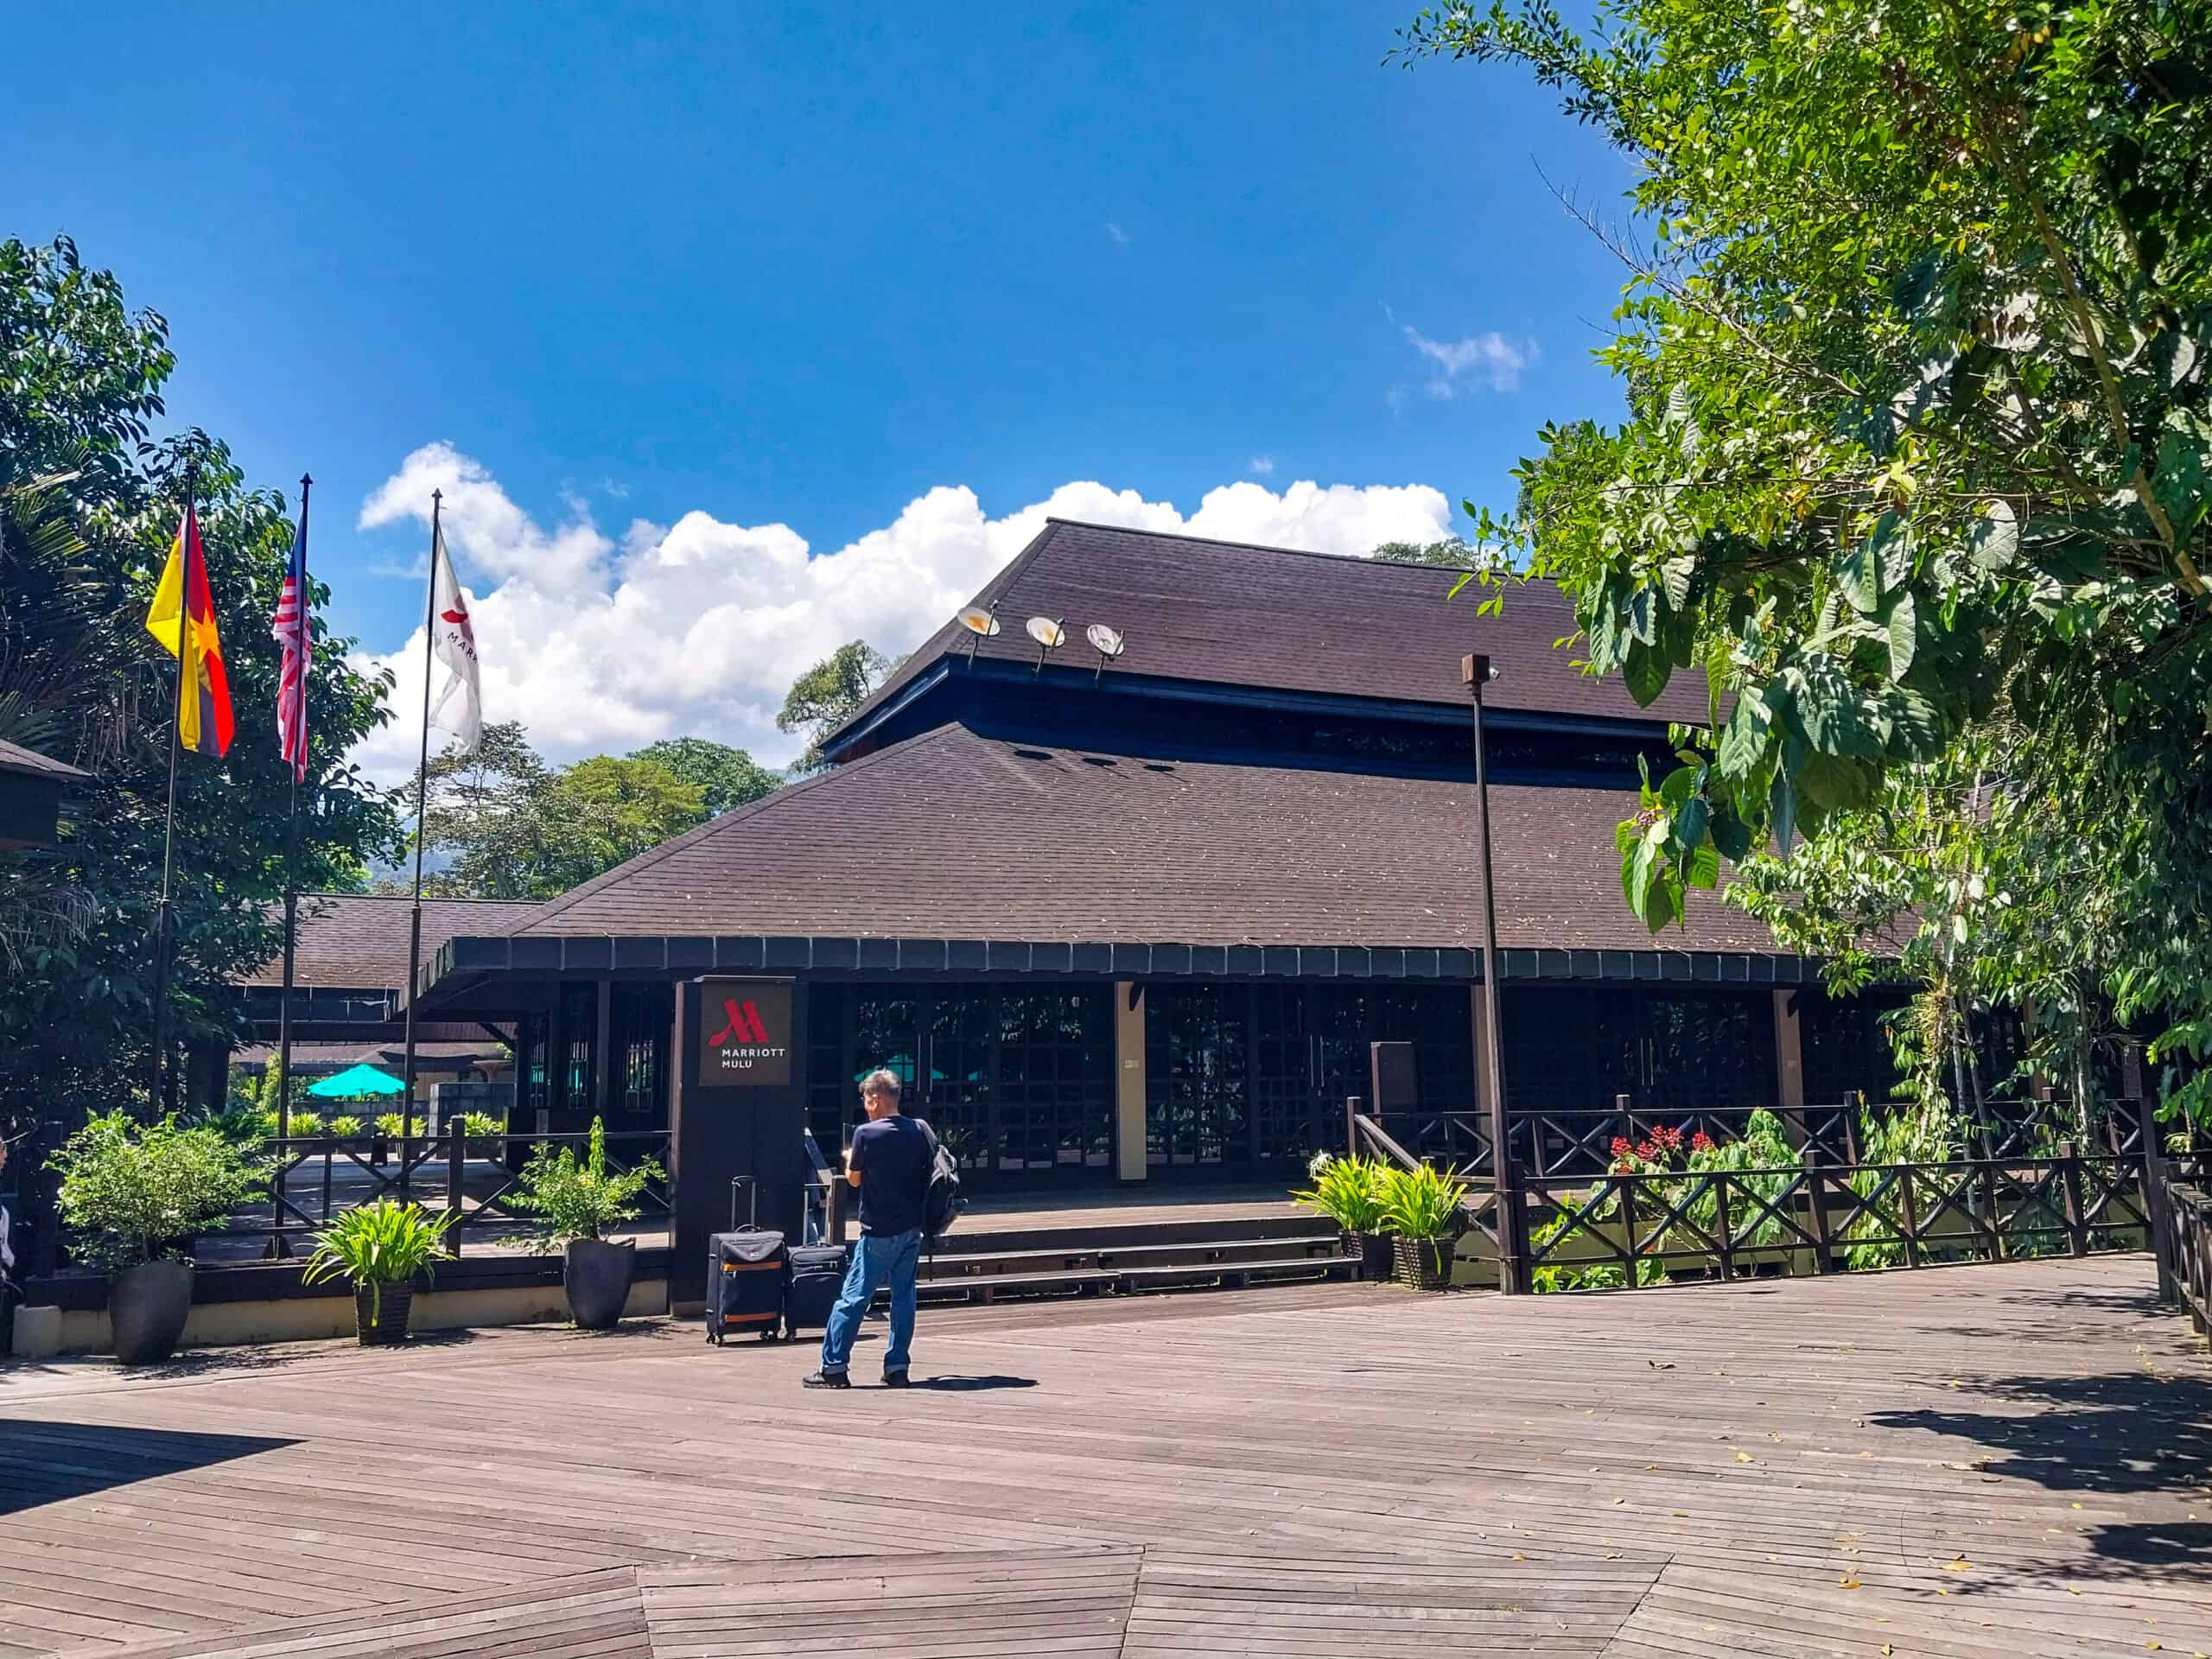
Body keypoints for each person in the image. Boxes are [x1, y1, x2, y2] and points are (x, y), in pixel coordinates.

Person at [804, 1068, 931, 1389]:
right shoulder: (918, 1130)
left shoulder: (866, 1133)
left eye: (865, 1098)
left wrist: (850, 1160)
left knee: (853, 1297)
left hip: (878, 1229)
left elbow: (854, 1179)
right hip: (912, 1228)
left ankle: (834, 1366)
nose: (864, 1104)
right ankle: (897, 1367)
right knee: (903, 1298)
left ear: (875, 1098)